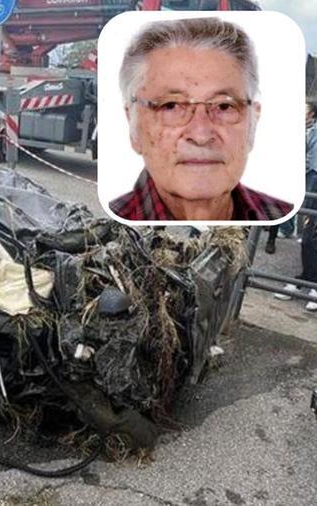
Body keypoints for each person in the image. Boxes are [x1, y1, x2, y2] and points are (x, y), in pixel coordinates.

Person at [109, 17, 292, 222]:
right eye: (171, 106)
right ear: (132, 124)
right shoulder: (99, 236)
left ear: (253, 123)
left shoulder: (279, 214)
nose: (201, 134)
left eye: (224, 106)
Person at [275, 102, 317, 310]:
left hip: (313, 189)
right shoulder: (312, 131)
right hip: (310, 187)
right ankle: (306, 280)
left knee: (310, 238)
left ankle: (311, 285)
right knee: (307, 239)